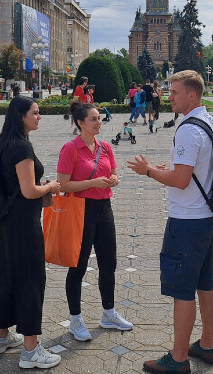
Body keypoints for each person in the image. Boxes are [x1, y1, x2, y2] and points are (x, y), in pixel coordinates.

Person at [127, 70, 213, 374]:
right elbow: (196, 169)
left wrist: (148, 171)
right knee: (205, 282)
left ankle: (179, 357)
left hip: (188, 220)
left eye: (176, 92)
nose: (170, 97)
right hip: (209, 215)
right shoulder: (211, 122)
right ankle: (206, 344)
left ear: (192, 95)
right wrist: (169, 170)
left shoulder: (188, 129)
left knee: (183, 289)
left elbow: (181, 181)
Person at [0, 96, 63, 369]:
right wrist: (51, 187)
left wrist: (38, 189)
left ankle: (1, 337)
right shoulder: (21, 147)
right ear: (21, 116)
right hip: (24, 225)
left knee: (9, 276)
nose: (39, 116)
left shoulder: (6, 143)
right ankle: (31, 350)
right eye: (35, 112)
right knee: (31, 280)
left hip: (8, 223)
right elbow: (29, 191)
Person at [56, 100, 132, 342]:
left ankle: (108, 313)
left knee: (108, 262)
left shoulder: (105, 147)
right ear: (80, 123)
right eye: (93, 119)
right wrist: (92, 183)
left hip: (104, 208)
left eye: (99, 118)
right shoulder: (71, 149)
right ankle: (75, 319)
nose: (99, 123)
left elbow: (114, 173)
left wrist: (113, 179)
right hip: (80, 209)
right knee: (77, 266)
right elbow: (62, 185)